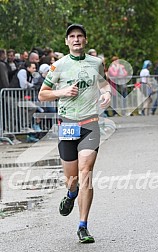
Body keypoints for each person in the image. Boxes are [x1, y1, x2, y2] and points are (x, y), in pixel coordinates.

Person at [38, 23, 111, 243]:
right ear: (67, 41)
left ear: (85, 40)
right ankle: (70, 194)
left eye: (80, 36)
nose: (76, 39)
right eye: (72, 36)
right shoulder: (57, 66)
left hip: (90, 124)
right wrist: (63, 92)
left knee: (86, 172)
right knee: (72, 180)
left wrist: (106, 94)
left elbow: (104, 85)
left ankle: (83, 226)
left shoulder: (96, 63)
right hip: (68, 125)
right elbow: (43, 94)